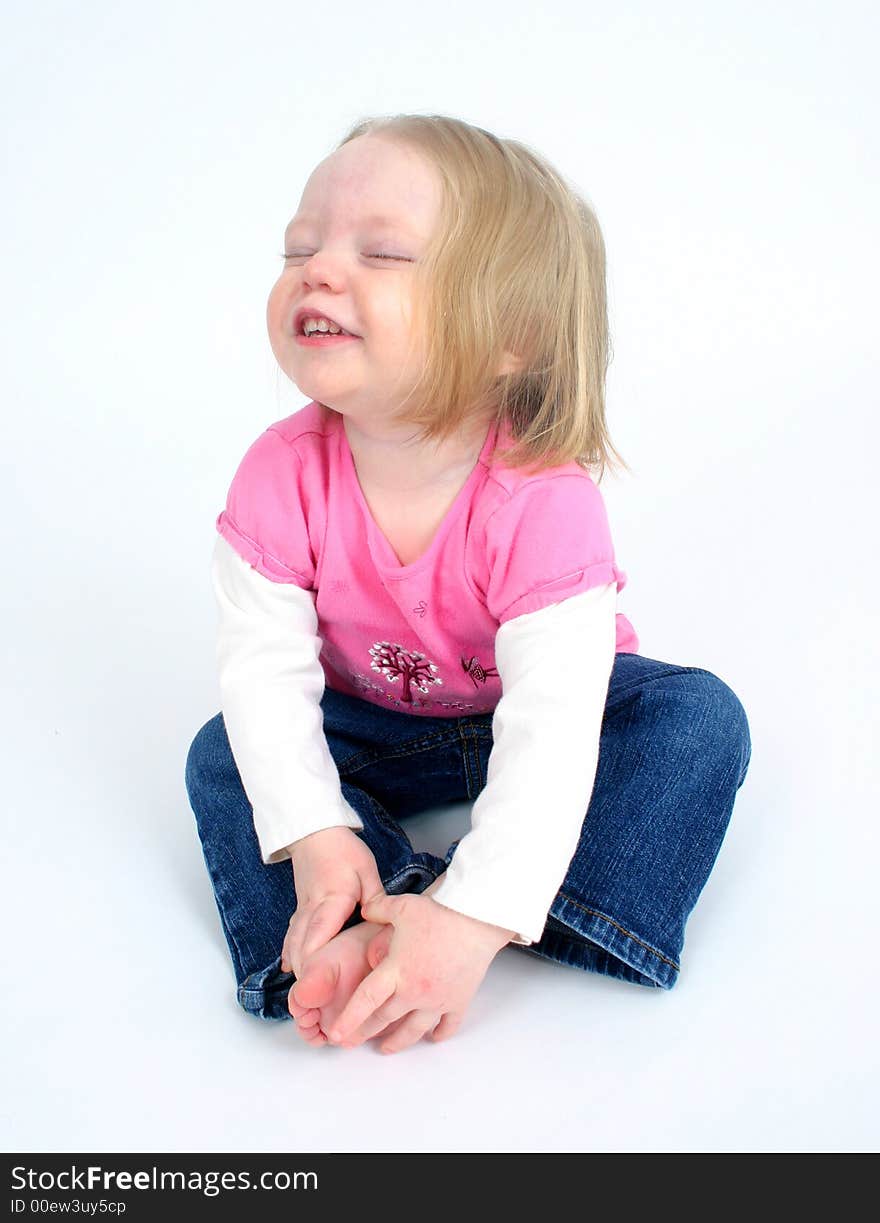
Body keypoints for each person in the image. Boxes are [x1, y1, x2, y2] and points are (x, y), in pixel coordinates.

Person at [184, 113, 752, 1056]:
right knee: (224, 754)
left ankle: (506, 916)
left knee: (699, 719)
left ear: (510, 339)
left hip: (536, 711)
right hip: (371, 716)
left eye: (385, 253)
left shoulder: (541, 496)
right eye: (301, 246)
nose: (319, 268)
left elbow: (557, 726)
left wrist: (479, 908)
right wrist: (320, 835)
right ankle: (353, 911)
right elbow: (264, 671)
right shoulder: (277, 473)